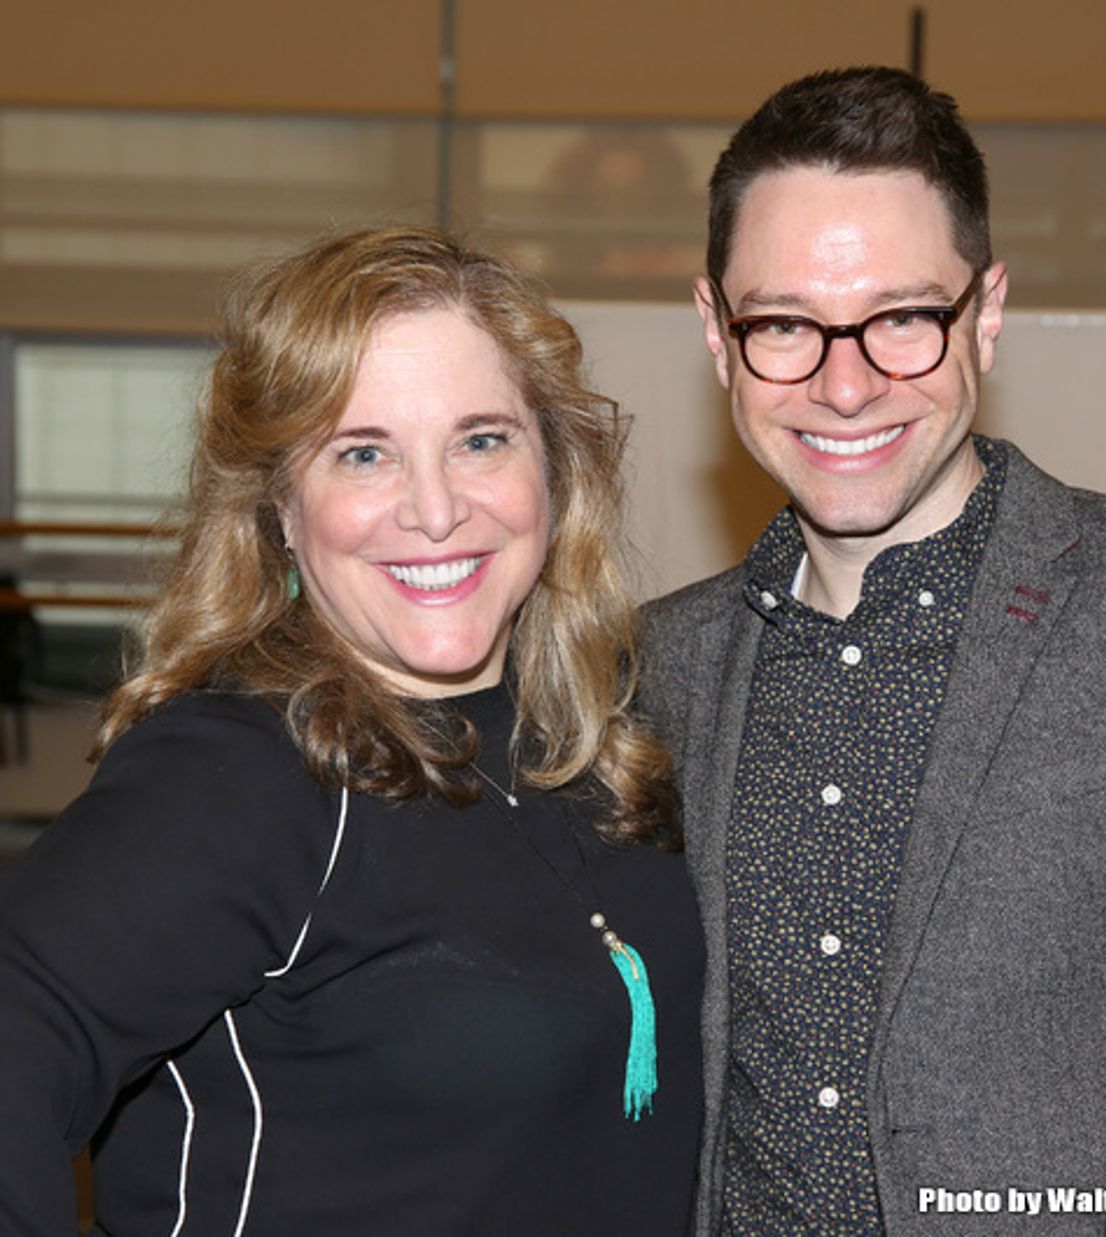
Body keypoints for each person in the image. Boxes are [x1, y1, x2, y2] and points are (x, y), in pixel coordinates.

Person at [640, 67, 1106, 1234]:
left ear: (985, 313)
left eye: (903, 319)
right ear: (716, 336)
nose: (843, 382)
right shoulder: (655, 666)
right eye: (782, 324)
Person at [0, 226, 704, 1234]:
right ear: (280, 507)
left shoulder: (599, 740)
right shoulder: (241, 771)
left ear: (552, 467)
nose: (433, 508)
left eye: (480, 439)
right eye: (363, 453)